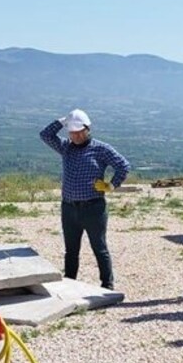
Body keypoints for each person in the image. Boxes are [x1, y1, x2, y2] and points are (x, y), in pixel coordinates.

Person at [39, 109, 131, 290]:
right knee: (71, 251)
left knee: (99, 248)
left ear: (87, 129)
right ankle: (70, 284)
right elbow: (45, 135)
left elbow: (123, 165)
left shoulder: (100, 148)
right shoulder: (65, 147)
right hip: (69, 207)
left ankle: (107, 285)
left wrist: (111, 185)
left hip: (93, 208)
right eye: (72, 132)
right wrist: (64, 121)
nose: (76, 136)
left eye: (79, 131)